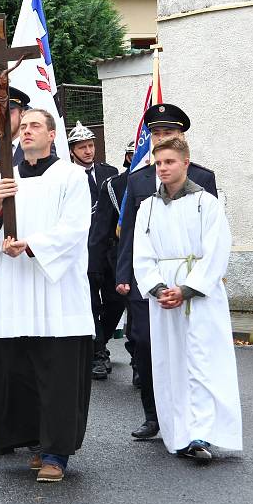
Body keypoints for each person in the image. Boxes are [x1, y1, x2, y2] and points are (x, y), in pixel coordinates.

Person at [0, 109, 94, 483]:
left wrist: (31, 246)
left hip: (54, 289)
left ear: (52, 134)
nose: (26, 131)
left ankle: (57, 453)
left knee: (56, 372)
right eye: (22, 126)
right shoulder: (6, 178)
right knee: (18, 369)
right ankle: (33, 441)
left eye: (34, 126)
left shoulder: (70, 175)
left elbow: (75, 228)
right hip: (13, 290)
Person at [132, 137, 241, 462]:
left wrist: (188, 289)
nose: (163, 169)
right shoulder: (147, 208)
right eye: (158, 163)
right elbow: (141, 254)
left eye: (169, 162)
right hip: (164, 298)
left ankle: (203, 433)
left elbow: (217, 251)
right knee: (172, 365)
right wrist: (158, 288)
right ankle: (179, 433)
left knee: (202, 363)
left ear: (185, 162)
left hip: (200, 298)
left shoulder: (206, 204)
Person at [115, 103, 217, 441]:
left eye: (168, 133)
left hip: (186, 280)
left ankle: (189, 417)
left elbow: (208, 233)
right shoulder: (139, 178)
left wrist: (199, 280)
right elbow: (130, 229)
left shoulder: (202, 178)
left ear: (181, 137)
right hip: (149, 280)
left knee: (190, 349)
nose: (162, 138)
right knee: (143, 343)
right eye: (156, 133)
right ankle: (152, 415)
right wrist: (123, 274)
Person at [66, 121, 120, 380]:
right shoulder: (66, 174)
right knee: (89, 303)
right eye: (82, 147)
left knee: (115, 299)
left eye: (90, 146)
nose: (88, 151)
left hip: (108, 248)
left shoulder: (110, 172)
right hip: (80, 249)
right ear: (72, 150)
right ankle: (98, 353)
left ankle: (102, 338)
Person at [88, 140, 138, 385]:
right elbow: (101, 225)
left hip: (146, 259)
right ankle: (97, 349)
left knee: (132, 312)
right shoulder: (115, 185)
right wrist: (95, 262)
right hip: (114, 257)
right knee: (102, 304)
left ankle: (140, 360)